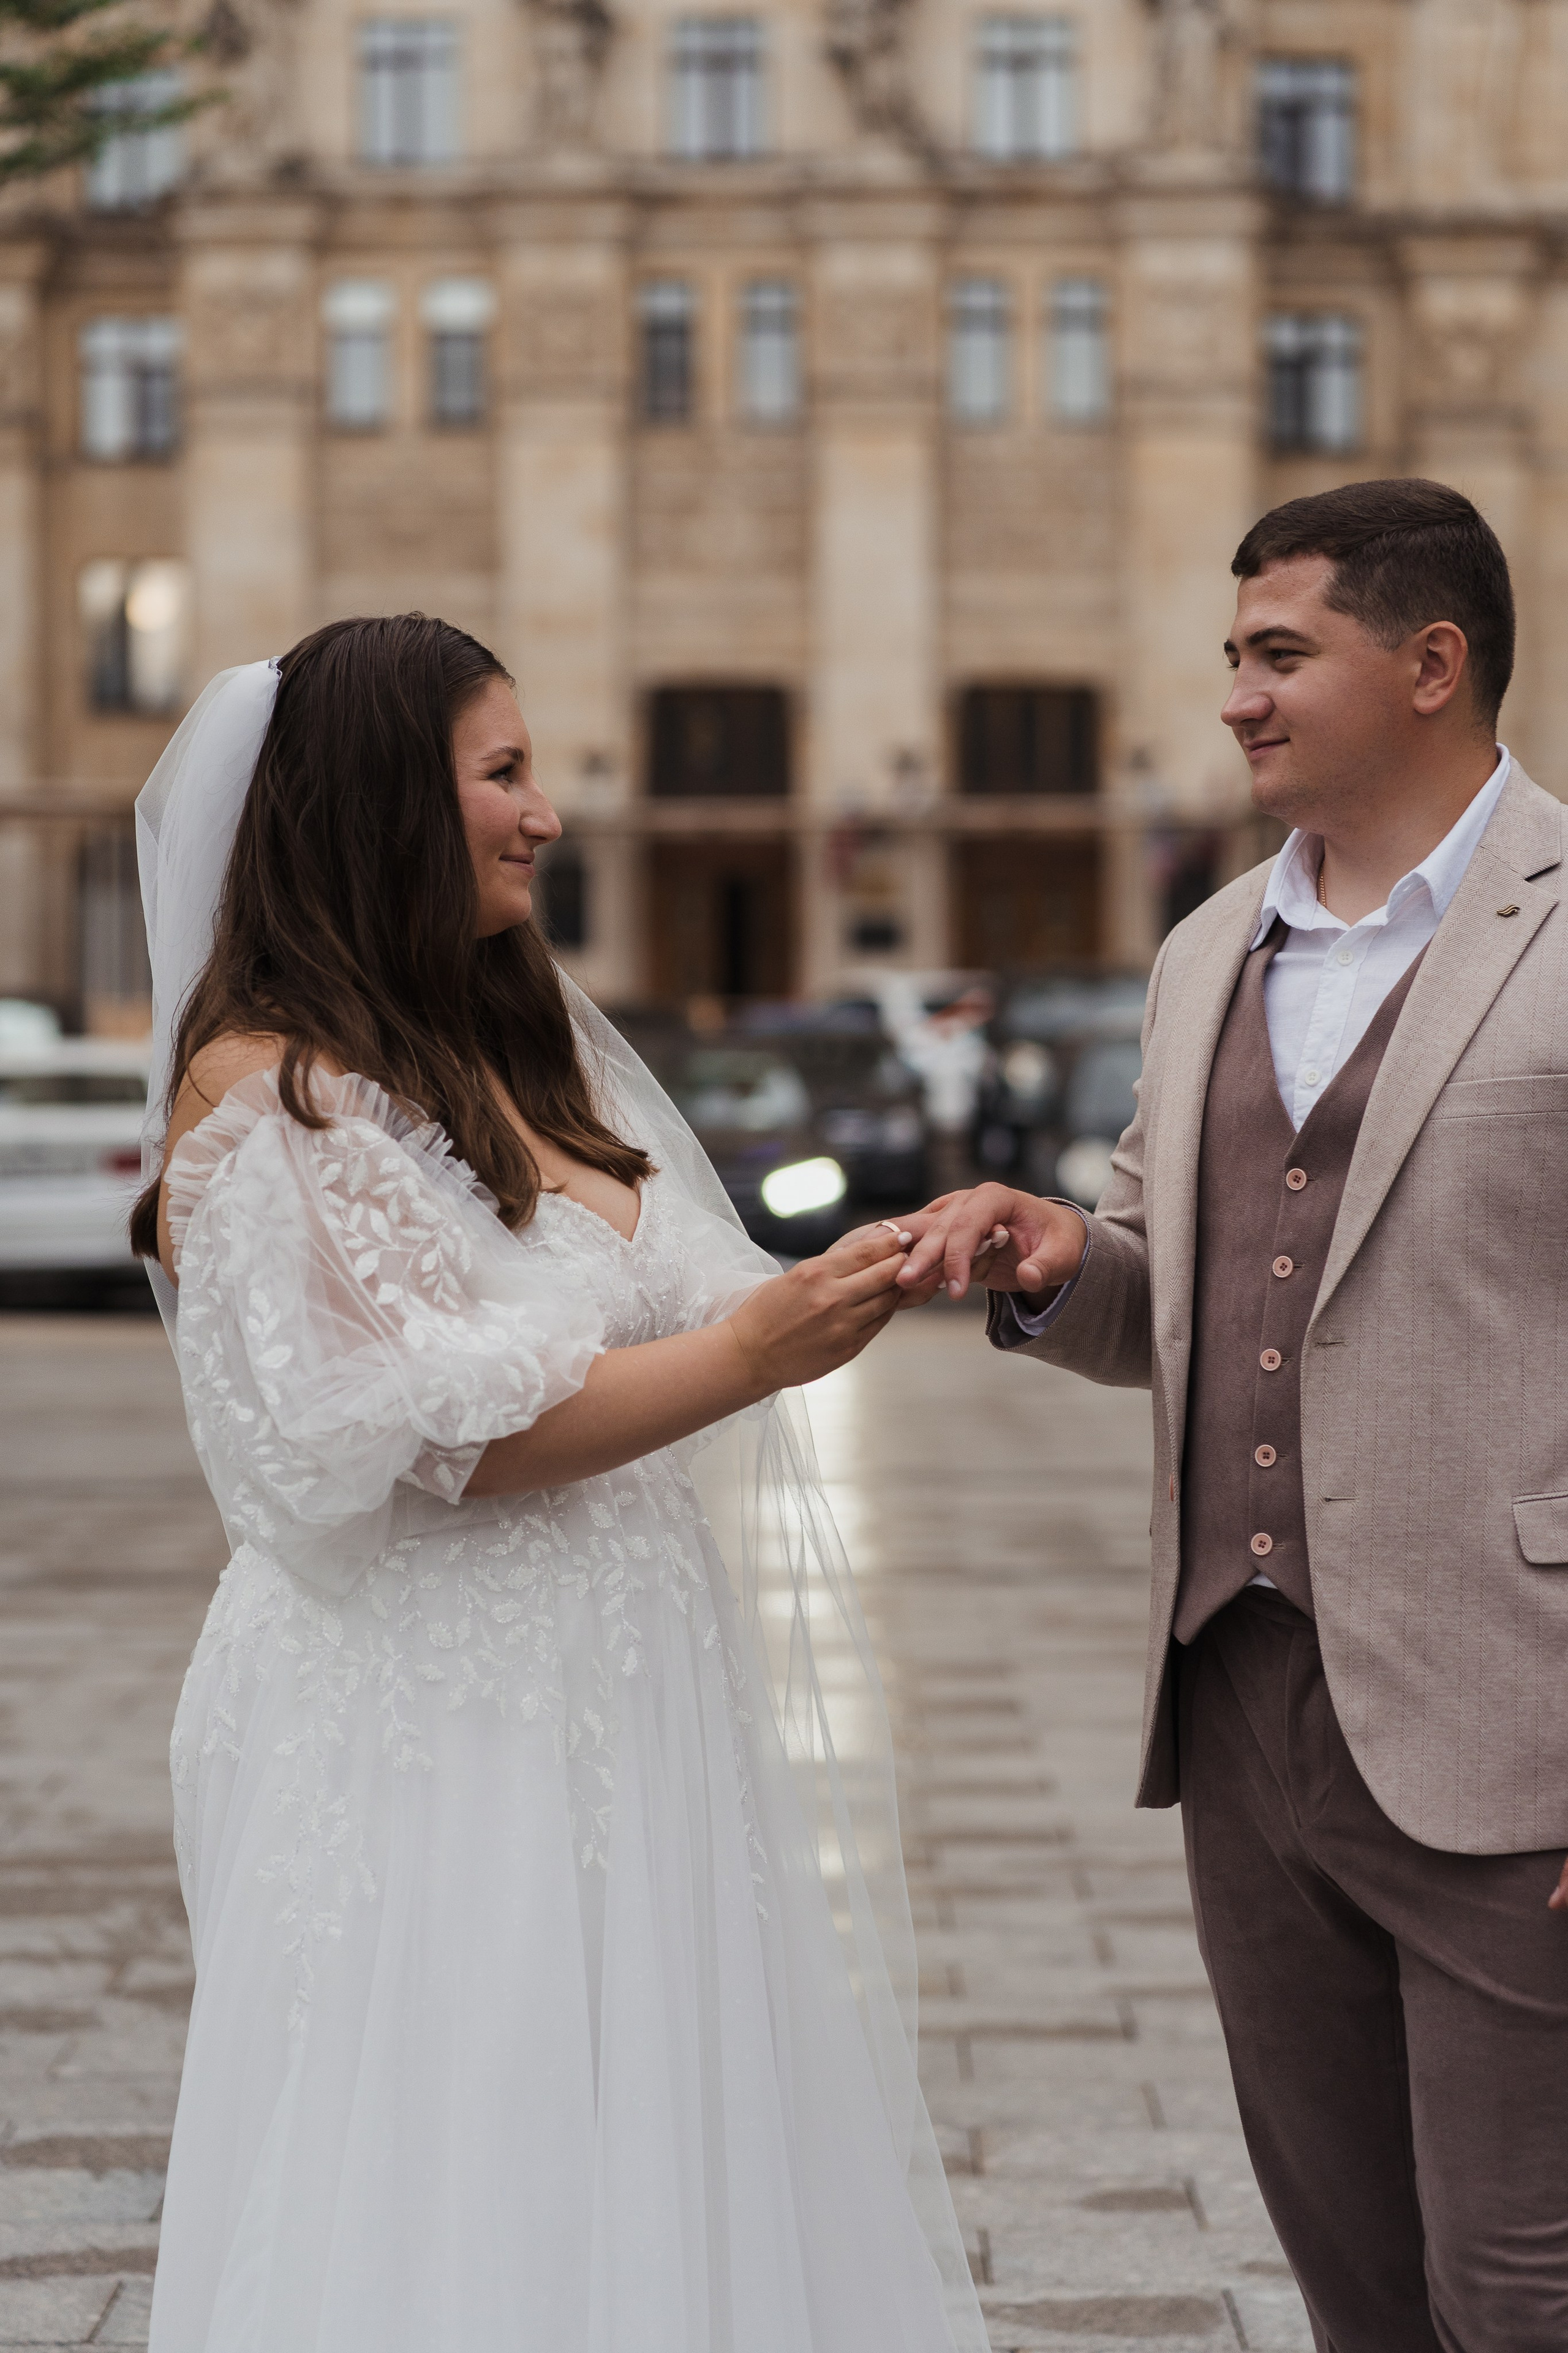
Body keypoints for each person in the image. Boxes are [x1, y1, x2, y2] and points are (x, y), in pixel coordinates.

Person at [130, 615, 987, 2353]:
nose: (549, 814)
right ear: (385, 799)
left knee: (653, 2128)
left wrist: (872, 1267)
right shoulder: (265, 1097)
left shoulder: (531, 1047)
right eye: (506, 772)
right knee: (471, 2139)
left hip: (628, 1694)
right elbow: (425, 1439)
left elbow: (697, 1285)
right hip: (440, 1721)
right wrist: (753, 1361)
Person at [897, 480, 1568, 2350]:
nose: (1239, 699)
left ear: (1432, 664)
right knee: (1357, 2285)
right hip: (1247, 1717)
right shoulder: (1207, 954)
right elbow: (1176, 1306)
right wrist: (1052, 1260)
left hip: (1521, 1726)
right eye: (1234, 659)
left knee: (1523, 2290)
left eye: (1283, 654)